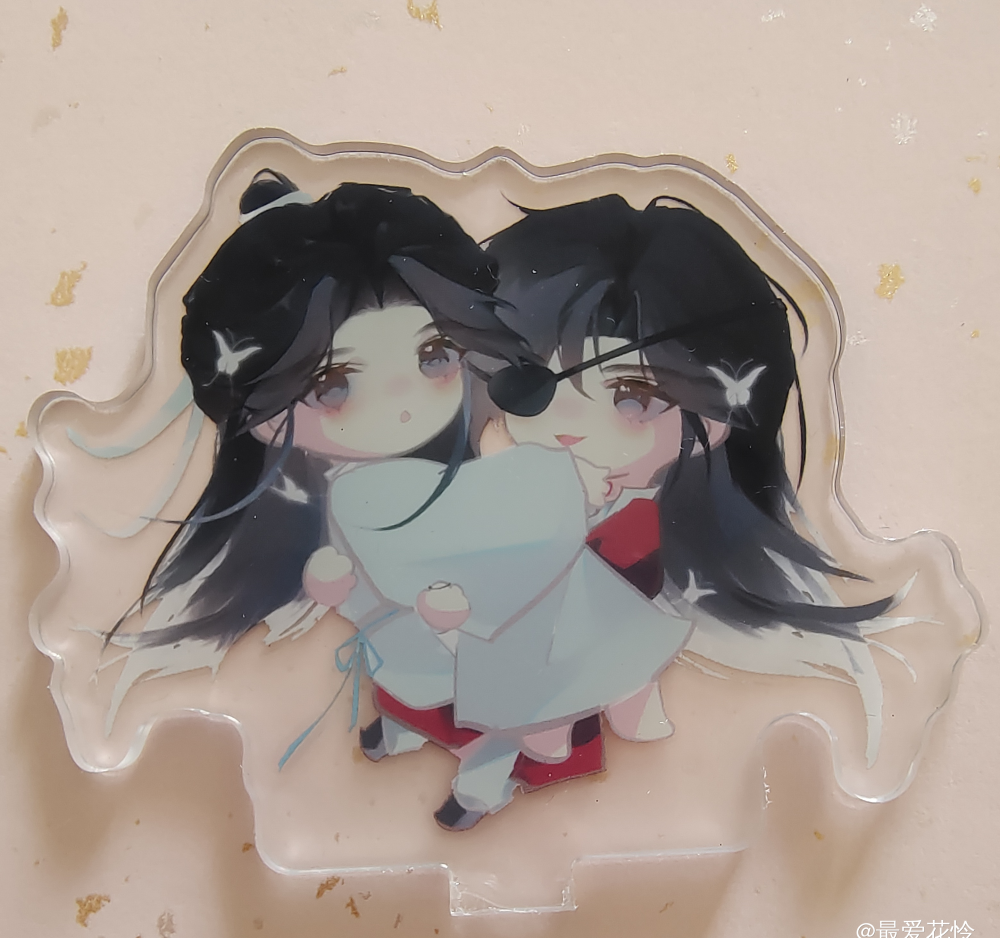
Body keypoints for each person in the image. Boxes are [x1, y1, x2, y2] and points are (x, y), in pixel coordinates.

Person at [97, 172, 690, 832]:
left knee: (511, 693)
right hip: (414, 638)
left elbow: (532, 537)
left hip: (499, 629)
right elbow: (373, 561)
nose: (402, 403)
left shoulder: (489, 458)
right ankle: (416, 731)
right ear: (260, 416)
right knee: (427, 677)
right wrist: (341, 587)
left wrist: (491, 570)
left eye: (433, 355)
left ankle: (486, 779)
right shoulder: (347, 494)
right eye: (334, 385)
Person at [484, 193, 909, 769]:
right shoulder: (502, 507)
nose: (568, 429)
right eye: (532, 384)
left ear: (716, 419)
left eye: (631, 397)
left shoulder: (745, 625)